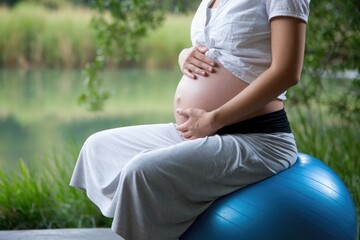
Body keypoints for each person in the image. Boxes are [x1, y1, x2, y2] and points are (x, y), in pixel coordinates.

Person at [70, 0, 310, 239]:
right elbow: (224, 50)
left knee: (140, 172)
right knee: (98, 148)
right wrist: (185, 55)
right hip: (197, 132)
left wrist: (215, 119)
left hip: (256, 139)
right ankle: (157, 221)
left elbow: (286, 72)